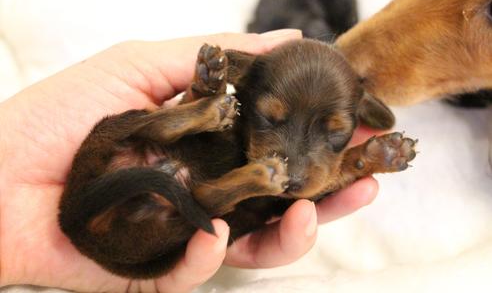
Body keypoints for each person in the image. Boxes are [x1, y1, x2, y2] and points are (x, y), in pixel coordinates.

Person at [0, 30, 379, 293]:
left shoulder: (247, 137)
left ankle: (200, 123)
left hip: (140, 234)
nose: (295, 164)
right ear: (243, 78)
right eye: (271, 119)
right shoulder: (238, 106)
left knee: (234, 212)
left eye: (333, 134)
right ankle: (195, 117)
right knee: (136, 133)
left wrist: (354, 162)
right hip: (117, 189)